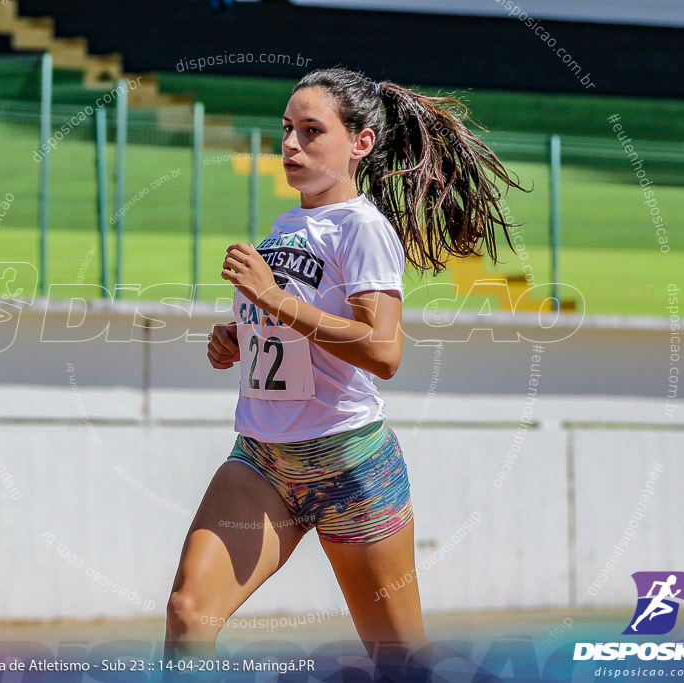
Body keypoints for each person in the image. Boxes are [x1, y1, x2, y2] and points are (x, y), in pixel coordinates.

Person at [164, 67, 524, 675]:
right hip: (263, 459)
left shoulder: (364, 228)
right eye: (286, 130)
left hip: (348, 465)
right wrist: (239, 337)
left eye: (310, 131)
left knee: (399, 657)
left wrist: (273, 300)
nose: (290, 146)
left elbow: (384, 352)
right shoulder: (284, 227)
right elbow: (293, 332)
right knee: (187, 617)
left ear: (360, 143)